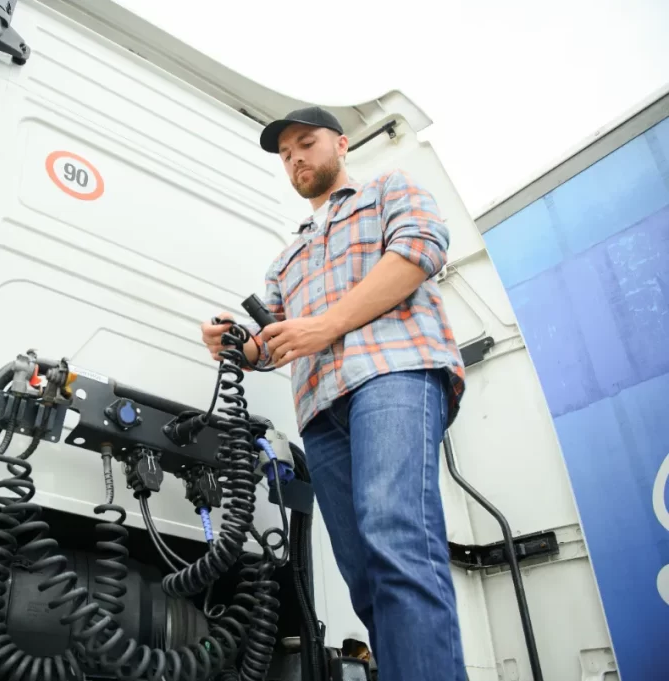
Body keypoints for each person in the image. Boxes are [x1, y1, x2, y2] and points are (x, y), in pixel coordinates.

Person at [200, 107, 468, 681]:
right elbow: (270, 345)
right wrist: (232, 343)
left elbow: (421, 251)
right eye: (286, 153)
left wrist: (323, 326)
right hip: (322, 411)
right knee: (366, 578)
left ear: (341, 144)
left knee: (397, 539)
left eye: (306, 143)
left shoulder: (389, 190)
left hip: (394, 373)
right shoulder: (287, 257)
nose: (295, 157)